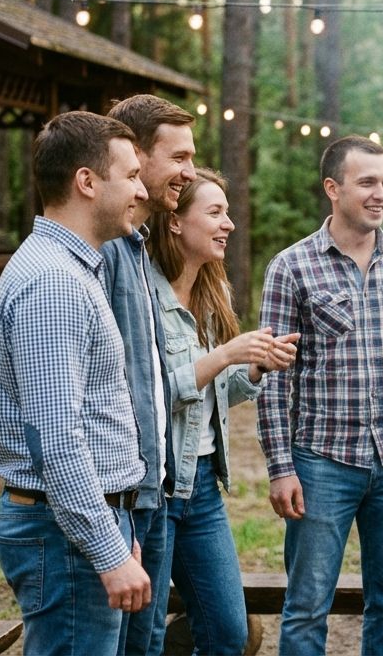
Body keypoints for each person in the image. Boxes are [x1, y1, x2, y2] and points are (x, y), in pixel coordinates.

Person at [258, 135, 383, 656]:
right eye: (367, 182)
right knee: (306, 609)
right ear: (333, 189)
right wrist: (280, 467)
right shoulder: (291, 268)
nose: (380, 193)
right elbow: (274, 378)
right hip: (321, 463)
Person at [0, 111, 151, 654]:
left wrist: (118, 533)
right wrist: (107, 549)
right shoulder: (53, 283)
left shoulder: (73, 268)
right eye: (130, 175)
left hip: (80, 528)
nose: (141, 190)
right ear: (87, 181)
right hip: (65, 539)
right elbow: (56, 440)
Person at [145, 168, 299, 654]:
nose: (228, 223)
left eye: (227, 212)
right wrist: (226, 354)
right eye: (215, 213)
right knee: (144, 636)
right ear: (175, 223)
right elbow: (146, 397)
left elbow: (213, 390)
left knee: (228, 632)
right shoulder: (143, 296)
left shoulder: (213, 291)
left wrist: (254, 365)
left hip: (202, 486)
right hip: (156, 489)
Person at [103, 94, 198, 654]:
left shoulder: (139, 247)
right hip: (123, 497)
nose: (189, 173)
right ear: (137, 157)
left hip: (153, 489)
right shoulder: (107, 252)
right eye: (178, 158)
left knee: (146, 646)